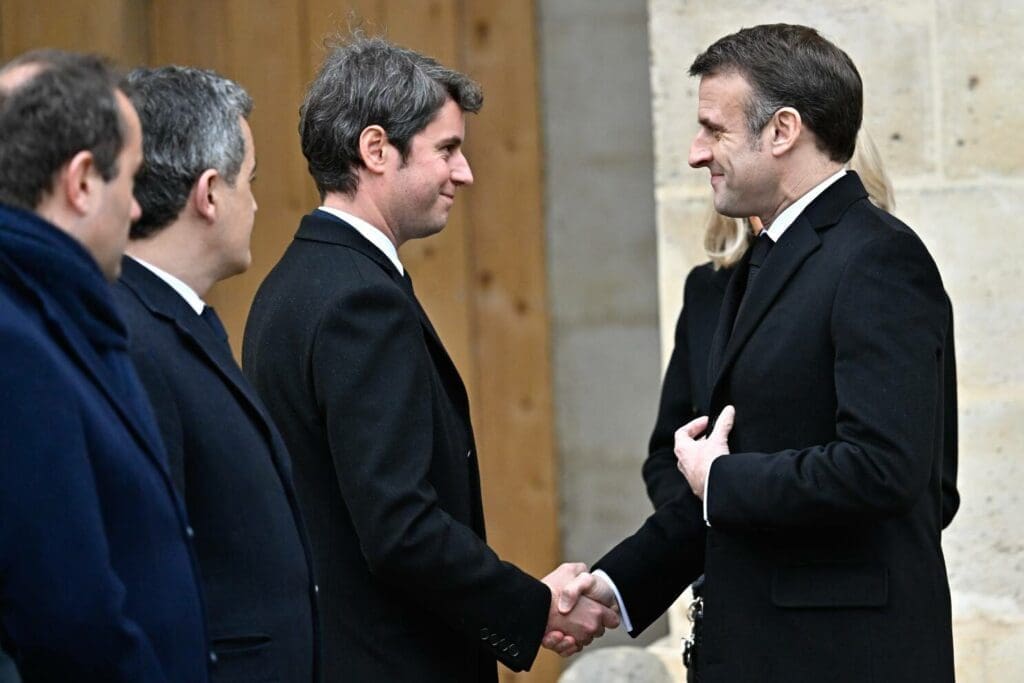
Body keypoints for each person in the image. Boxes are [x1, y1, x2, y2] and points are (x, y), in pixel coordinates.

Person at [558, 24, 956, 682]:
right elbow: (724, 476)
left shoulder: (879, 257)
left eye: (713, 129)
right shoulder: (757, 264)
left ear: (782, 131)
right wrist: (617, 583)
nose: (695, 152)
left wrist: (719, 480)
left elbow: (885, 466)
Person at [242, 35, 617, 681]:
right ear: (376, 149)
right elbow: (400, 528)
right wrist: (533, 603)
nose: (464, 172)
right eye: (447, 148)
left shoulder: (292, 281)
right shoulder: (361, 300)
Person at [0, 50, 208, 682]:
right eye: (132, 181)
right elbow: (68, 612)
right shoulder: (17, 345)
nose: (138, 211)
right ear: (83, 181)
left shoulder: (64, 314)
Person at [111, 66, 320, 683]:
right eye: (247, 182)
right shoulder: (131, 337)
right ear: (208, 194)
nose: (254, 202)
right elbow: (148, 570)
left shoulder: (183, 319)